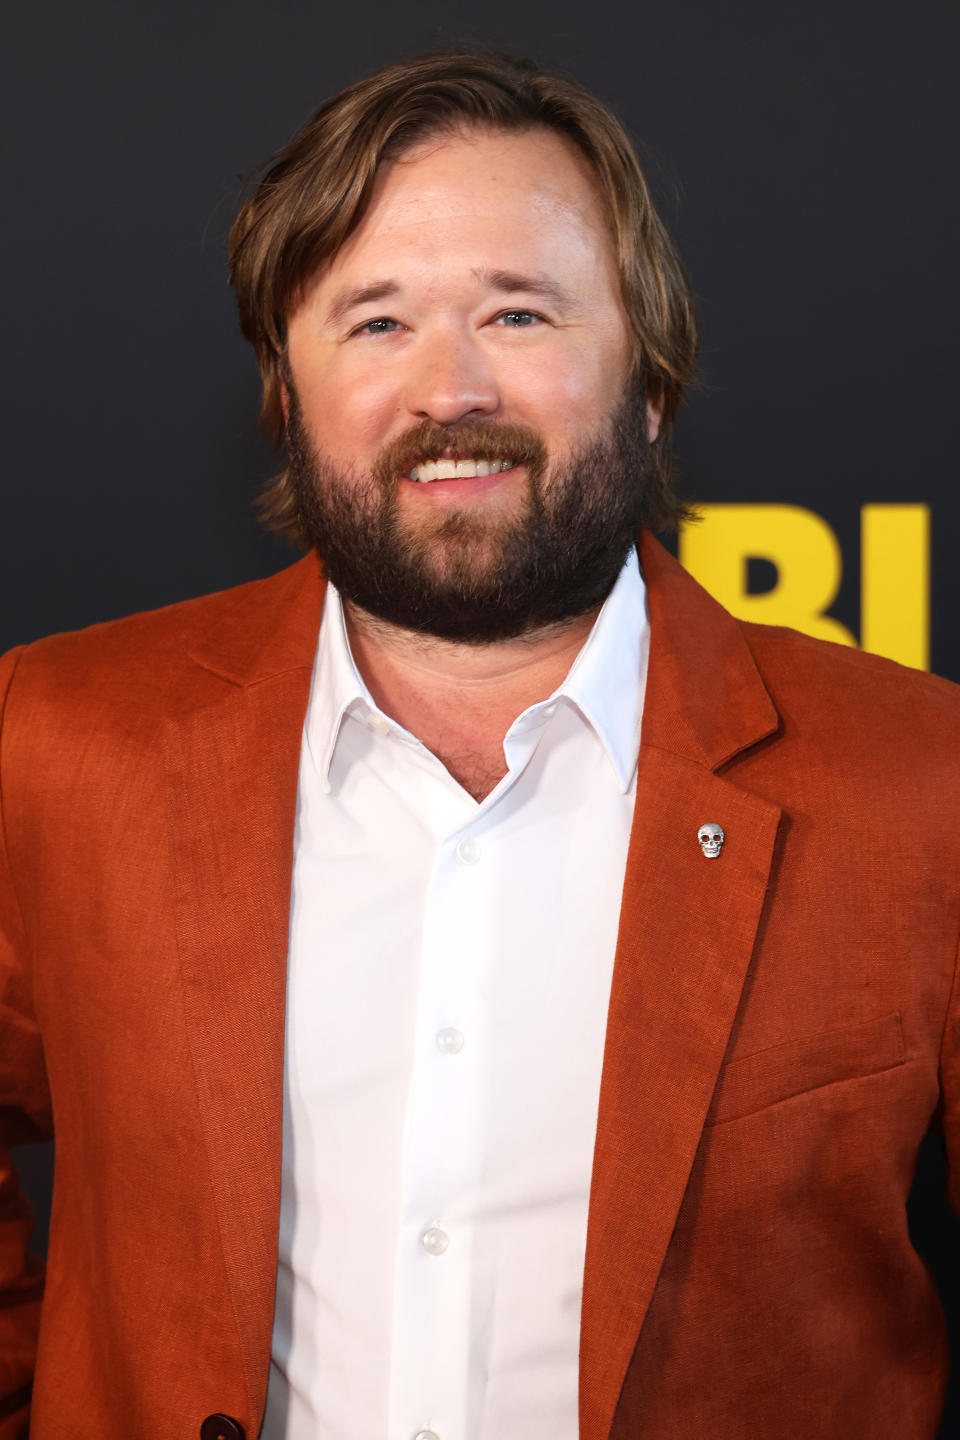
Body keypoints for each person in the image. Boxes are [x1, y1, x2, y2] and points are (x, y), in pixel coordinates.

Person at [1, 47, 958, 1440]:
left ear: (649, 378)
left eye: (518, 312)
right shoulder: (56, 743)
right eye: (374, 322)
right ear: (287, 392)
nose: (448, 388)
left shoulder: (919, 785)